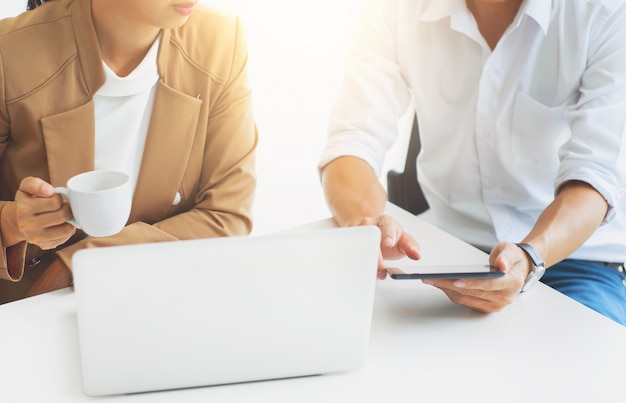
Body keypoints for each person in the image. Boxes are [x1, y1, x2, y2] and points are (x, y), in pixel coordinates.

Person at [320, 0, 626, 325]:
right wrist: (368, 224)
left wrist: (530, 256)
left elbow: (595, 172)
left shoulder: (604, 12)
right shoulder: (394, 11)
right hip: (446, 249)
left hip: (575, 262)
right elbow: (353, 142)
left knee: (583, 366)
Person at [0, 0, 257, 303]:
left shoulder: (221, 41)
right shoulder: (10, 54)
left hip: (165, 300)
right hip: (29, 320)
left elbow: (227, 217)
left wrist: (79, 264)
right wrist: (13, 222)